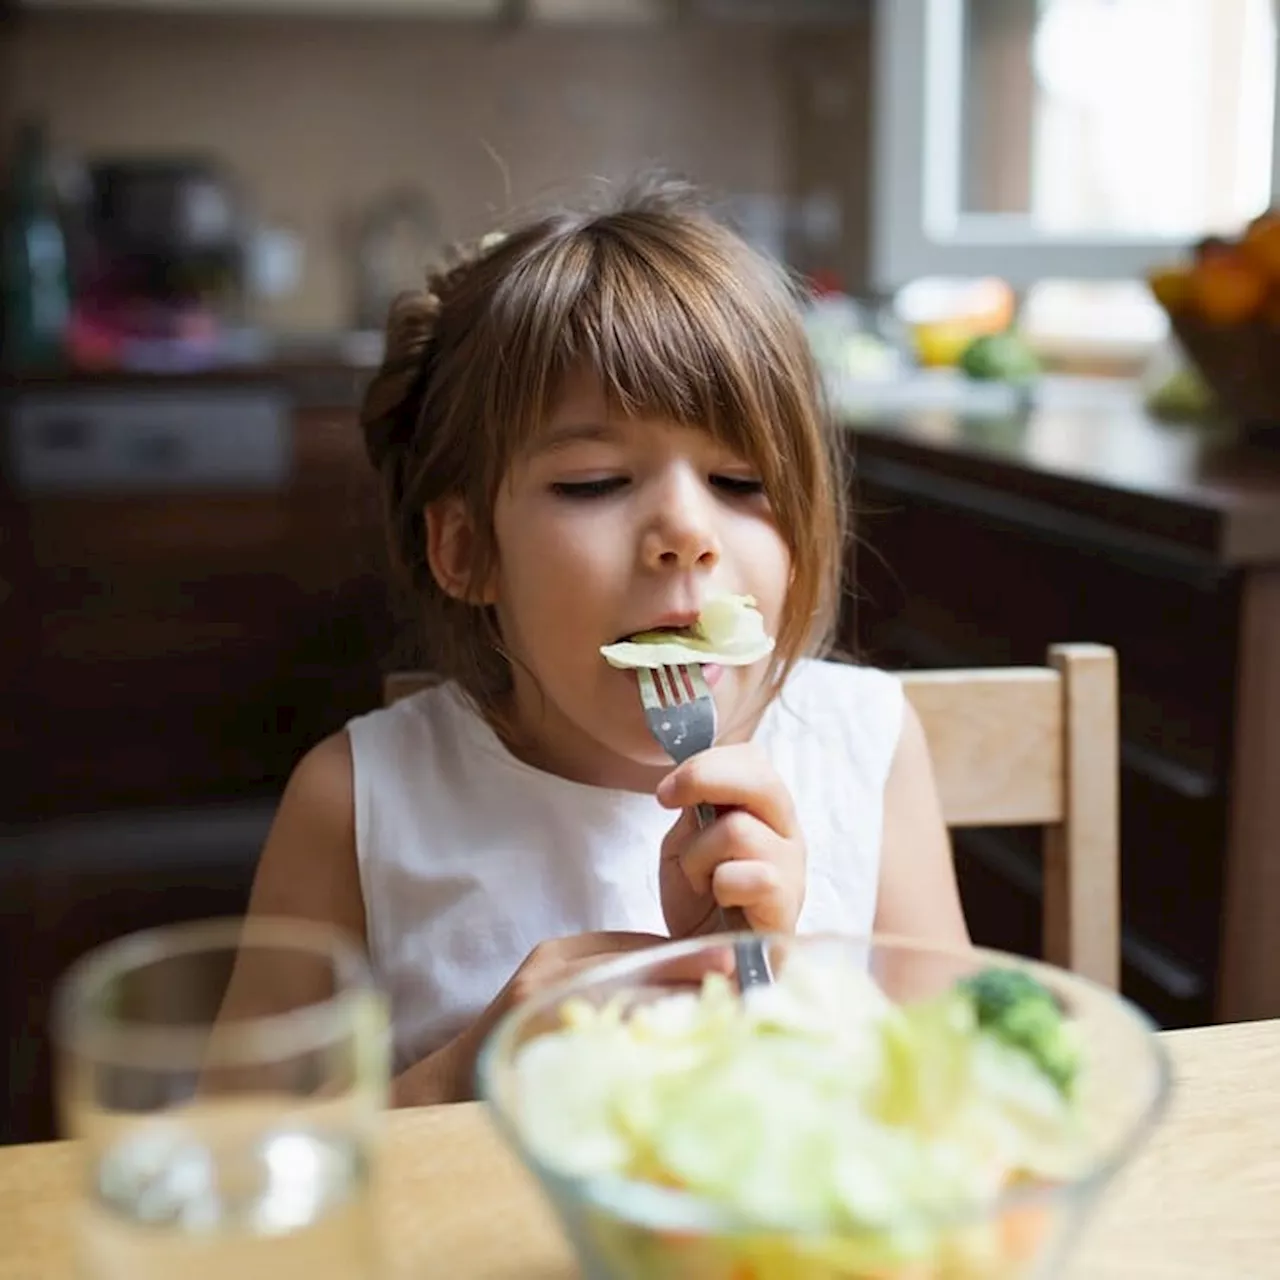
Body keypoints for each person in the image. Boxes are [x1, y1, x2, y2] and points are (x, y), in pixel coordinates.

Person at [242, 177, 969, 1106]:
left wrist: (794, 994)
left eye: (742, 482)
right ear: (467, 550)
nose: (686, 529)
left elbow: (956, 1100)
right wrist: (464, 1075)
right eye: (593, 482)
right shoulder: (355, 805)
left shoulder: (864, 749)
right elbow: (240, 1166)